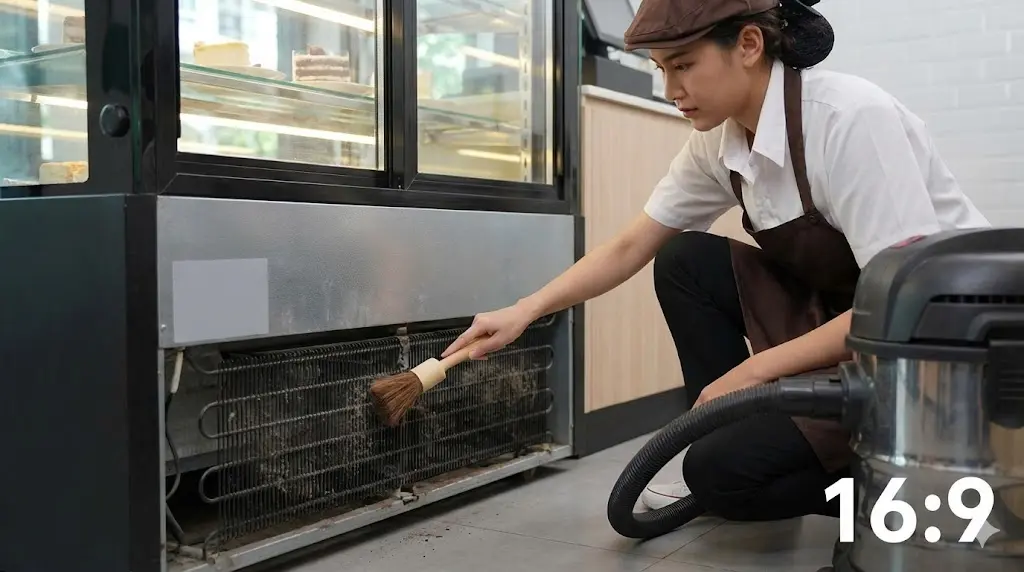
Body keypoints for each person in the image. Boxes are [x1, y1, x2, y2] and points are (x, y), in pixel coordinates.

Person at [442, 0, 990, 525]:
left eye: (683, 66)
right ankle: (734, 437)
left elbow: (900, 306)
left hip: (929, 347)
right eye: (660, 69)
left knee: (720, 476)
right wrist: (525, 310)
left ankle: (905, 498)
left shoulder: (849, 120)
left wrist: (750, 374)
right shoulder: (719, 142)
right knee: (686, 259)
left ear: (749, 44)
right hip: (842, 321)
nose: (671, 91)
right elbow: (631, 246)